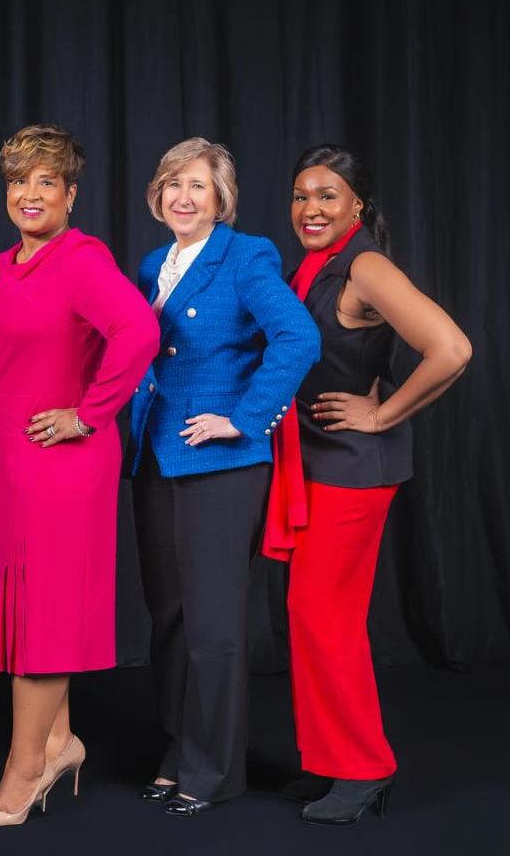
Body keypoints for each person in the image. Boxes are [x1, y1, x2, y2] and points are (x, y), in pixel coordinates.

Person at [263, 144, 471, 825]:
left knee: (327, 618)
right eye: (300, 195)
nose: (310, 208)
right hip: (316, 463)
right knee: (310, 616)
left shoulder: (365, 265)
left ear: (357, 205)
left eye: (326, 195)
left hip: (354, 471)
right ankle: (329, 761)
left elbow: (451, 348)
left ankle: (364, 769)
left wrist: (381, 413)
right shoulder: (314, 267)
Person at [0, 124, 159, 828]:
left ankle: (22, 775)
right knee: (23, 608)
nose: (30, 193)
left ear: (71, 193)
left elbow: (138, 332)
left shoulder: (81, 259)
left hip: (61, 465)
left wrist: (90, 413)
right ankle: (58, 740)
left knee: (43, 613)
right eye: (19, 181)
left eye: (47, 181)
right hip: (7, 465)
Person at [128, 137, 320, 816]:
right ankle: (180, 750)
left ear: (221, 199)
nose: (184, 197)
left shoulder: (246, 255)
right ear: (159, 192)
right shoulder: (156, 262)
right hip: (157, 455)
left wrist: (244, 416)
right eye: (174, 183)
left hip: (223, 464)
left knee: (215, 622)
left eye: (198, 187)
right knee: (171, 618)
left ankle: (214, 771)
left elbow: (299, 338)